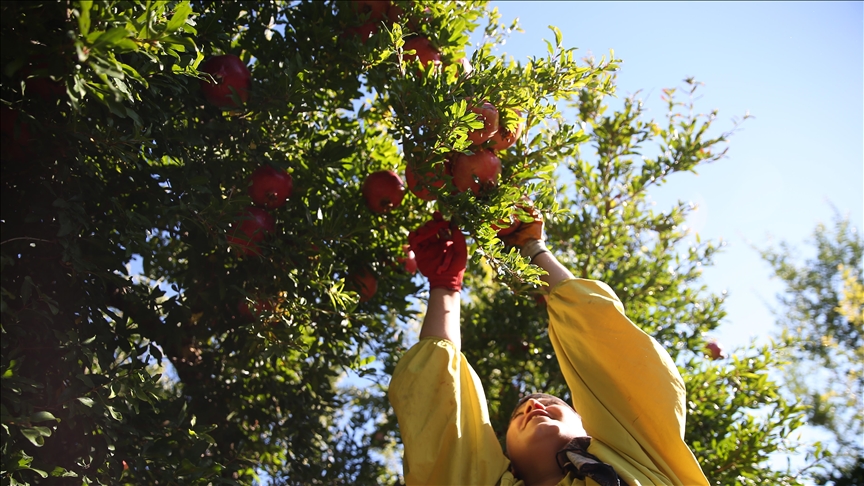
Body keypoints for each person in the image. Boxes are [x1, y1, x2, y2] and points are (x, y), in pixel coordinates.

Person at [388, 210, 710, 486]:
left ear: (589, 425)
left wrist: (533, 249)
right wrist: (446, 284)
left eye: (552, 403)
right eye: (519, 415)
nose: (533, 406)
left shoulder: (641, 458)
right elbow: (440, 402)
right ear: (504, 456)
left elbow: (607, 342)